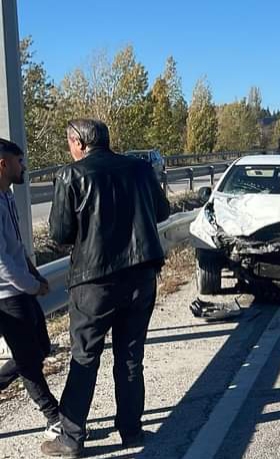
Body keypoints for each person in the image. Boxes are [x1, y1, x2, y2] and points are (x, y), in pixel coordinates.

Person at [41, 119, 170, 457]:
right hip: (141, 275)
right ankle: (130, 430)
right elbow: (161, 211)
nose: (69, 149)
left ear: (78, 142)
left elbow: (60, 234)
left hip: (94, 282)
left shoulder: (72, 175)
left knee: (84, 358)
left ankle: (71, 439)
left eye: (69, 143)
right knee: (130, 357)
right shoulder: (141, 170)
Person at [0, 138, 61, 440]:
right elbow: (1, 262)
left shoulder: (7, 196)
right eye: (19, 161)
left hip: (21, 288)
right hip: (5, 296)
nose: (24, 167)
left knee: (40, 348)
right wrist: (32, 286)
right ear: (3, 164)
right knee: (28, 358)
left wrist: (35, 274)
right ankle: (54, 416)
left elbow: (16, 246)